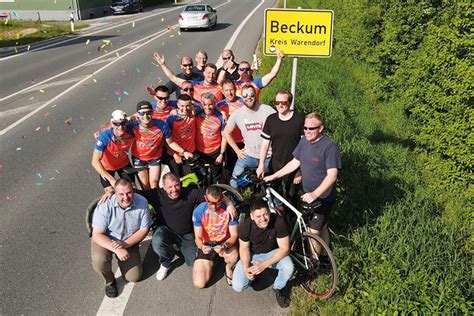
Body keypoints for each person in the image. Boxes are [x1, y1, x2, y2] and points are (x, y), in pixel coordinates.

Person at [264, 112, 342, 249]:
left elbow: (332, 175)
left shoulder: (329, 147)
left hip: (322, 197)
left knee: (313, 233)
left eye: (311, 128)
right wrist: (274, 176)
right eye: (305, 128)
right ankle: (323, 257)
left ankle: (313, 264)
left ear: (321, 128)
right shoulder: (304, 141)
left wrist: (315, 194)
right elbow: (294, 162)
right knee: (322, 226)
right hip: (306, 193)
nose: (307, 131)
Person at [138, 172, 236, 281]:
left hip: (187, 234)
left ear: (180, 183)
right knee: (157, 240)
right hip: (166, 230)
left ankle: (177, 248)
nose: (174, 189)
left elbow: (213, 192)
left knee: (192, 262)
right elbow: (135, 194)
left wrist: (229, 204)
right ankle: (165, 263)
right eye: (170, 187)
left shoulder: (189, 193)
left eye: (176, 185)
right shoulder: (156, 194)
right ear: (164, 188)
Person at [91, 178, 153, 298]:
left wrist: (124, 245)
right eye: (121, 194)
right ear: (115, 193)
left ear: (133, 191)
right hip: (106, 239)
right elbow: (97, 234)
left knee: (134, 277)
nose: (126, 197)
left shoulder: (142, 202)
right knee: (99, 260)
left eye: (129, 192)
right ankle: (109, 281)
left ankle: (124, 263)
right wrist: (117, 249)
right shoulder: (105, 205)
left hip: (128, 240)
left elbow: (143, 230)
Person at [232, 199, 293, 308]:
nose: (263, 219)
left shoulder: (279, 221)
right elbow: (244, 248)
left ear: (269, 212)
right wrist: (247, 269)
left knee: (288, 267)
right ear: (251, 216)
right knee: (237, 286)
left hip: (272, 253)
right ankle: (252, 276)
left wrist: (264, 265)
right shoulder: (245, 227)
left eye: (265, 214)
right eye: (258, 216)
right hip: (252, 255)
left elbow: (285, 249)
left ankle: (278, 287)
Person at [256, 90, 305, 207]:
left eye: (283, 102)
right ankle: (277, 219)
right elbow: (264, 145)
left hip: (294, 165)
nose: (280, 105)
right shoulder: (271, 119)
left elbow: (305, 147)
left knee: (291, 197)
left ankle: (291, 221)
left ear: (290, 103)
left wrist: (300, 171)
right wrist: (261, 164)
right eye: (277, 102)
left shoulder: (299, 120)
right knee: (270, 194)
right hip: (275, 163)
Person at [223, 85, 276, 189]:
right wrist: (237, 151)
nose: (249, 97)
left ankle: (273, 204)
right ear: (242, 97)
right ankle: (237, 203)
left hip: (267, 156)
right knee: (234, 182)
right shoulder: (238, 114)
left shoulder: (267, 110)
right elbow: (226, 133)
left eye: (252, 95)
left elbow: (280, 126)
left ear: (255, 95)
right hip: (248, 156)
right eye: (245, 95)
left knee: (269, 186)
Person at [130, 101, 192, 189]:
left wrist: (184, 152)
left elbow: (170, 142)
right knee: (145, 186)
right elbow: (116, 126)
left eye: (148, 113)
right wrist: (128, 118)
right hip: (139, 157)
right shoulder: (133, 124)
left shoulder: (162, 125)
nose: (145, 116)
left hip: (155, 157)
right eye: (142, 113)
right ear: (137, 114)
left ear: (152, 113)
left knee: (154, 184)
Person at [192, 186, 239, 288]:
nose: (214, 207)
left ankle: (228, 267)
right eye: (210, 203)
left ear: (222, 199)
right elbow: (198, 237)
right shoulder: (199, 211)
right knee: (199, 283)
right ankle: (212, 261)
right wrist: (201, 246)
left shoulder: (229, 211)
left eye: (217, 202)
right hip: (208, 244)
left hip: (224, 242)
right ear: (205, 198)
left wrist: (225, 245)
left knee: (234, 255)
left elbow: (234, 235)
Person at [91, 110, 135, 196]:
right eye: (117, 124)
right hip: (107, 167)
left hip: (123, 164)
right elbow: (94, 162)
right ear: (112, 124)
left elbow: (139, 117)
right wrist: (111, 179)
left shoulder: (130, 130)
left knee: (132, 190)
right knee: (109, 192)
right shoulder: (104, 136)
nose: (120, 127)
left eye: (123, 123)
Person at [153, 52, 223, 103]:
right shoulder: (195, 84)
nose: (210, 76)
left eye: (213, 73)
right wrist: (163, 64)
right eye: (208, 73)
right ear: (204, 73)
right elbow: (173, 78)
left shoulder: (218, 87)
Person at [217, 50, 285, 101]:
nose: (244, 71)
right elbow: (220, 82)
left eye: (247, 69)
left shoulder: (256, 82)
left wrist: (279, 59)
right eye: (242, 69)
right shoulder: (234, 84)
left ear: (250, 70)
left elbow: (272, 74)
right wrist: (225, 68)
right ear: (238, 71)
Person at [216, 80, 246, 180]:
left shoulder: (243, 102)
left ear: (236, 89)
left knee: (244, 167)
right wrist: (223, 112)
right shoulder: (219, 105)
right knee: (229, 168)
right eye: (227, 90)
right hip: (228, 142)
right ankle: (231, 190)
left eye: (231, 90)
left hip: (243, 141)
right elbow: (206, 106)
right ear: (223, 92)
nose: (229, 93)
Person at [195, 93, 227, 183]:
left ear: (214, 104)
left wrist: (221, 154)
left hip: (215, 152)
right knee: (202, 178)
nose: (207, 107)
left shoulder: (220, 117)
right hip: (200, 151)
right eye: (205, 104)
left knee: (215, 177)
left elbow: (224, 136)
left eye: (210, 104)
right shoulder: (197, 114)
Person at [164, 94, 196, 177]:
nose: (185, 109)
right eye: (182, 106)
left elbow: (203, 104)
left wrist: (223, 113)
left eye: (187, 106)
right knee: (177, 179)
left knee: (191, 180)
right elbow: (166, 139)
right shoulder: (171, 118)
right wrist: (175, 155)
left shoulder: (194, 113)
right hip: (175, 155)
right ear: (177, 105)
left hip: (190, 153)